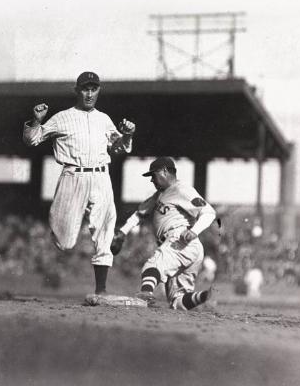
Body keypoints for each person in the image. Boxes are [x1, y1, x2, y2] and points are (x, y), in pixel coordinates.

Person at [23, 71, 136, 295]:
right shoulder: (62, 117)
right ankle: (66, 236)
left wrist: (128, 135)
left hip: (101, 176)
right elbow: (32, 140)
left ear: (99, 91)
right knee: (64, 241)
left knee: (104, 231)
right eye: (85, 88)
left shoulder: (104, 119)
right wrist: (36, 121)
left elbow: (118, 147)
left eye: (94, 89)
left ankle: (101, 290)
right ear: (77, 91)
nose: (89, 93)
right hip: (72, 176)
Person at [110, 157, 216, 310]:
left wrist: (194, 231)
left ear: (165, 171)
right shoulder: (161, 194)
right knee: (177, 301)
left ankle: (145, 295)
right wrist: (122, 232)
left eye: (153, 175)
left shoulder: (181, 189)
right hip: (184, 247)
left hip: (180, 241)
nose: (152, 180)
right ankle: (206, 296)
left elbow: (209, 212)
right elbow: (140, 213)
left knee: (152, 266)